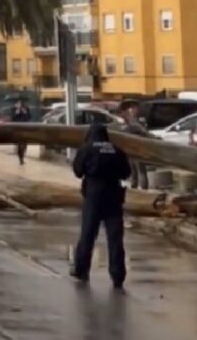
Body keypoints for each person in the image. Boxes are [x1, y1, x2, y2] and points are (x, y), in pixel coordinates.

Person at [71, 123, 131, 289]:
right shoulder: (117, 150)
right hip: (114, 195)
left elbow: (77, 171)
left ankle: (81, 269)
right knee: (115, 238)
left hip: (93, 195)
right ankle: (118, 275)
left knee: (88, 234)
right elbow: (126, 172)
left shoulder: (86, 149)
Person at [118, 100, 149, 190]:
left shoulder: (136, 120)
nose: (131, 110)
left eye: (133, 108)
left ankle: (143, 187)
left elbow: (143, 132)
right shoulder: (129, 120)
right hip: (131, 148)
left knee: (140, 168)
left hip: (138, 148)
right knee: (133, 168)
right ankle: (134, 184)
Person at [10, 99, 32, 164]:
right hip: (18, 129)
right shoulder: (13, 109)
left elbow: (29, 117)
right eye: (18, 103)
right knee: (20, 144)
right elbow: (12, 119)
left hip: (25, 128)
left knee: (25, 144)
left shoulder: (26, 109)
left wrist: (25, 112)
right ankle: (20, 159)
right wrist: (16, 112)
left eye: (21, 103)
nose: (20, 105)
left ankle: (22, 155)